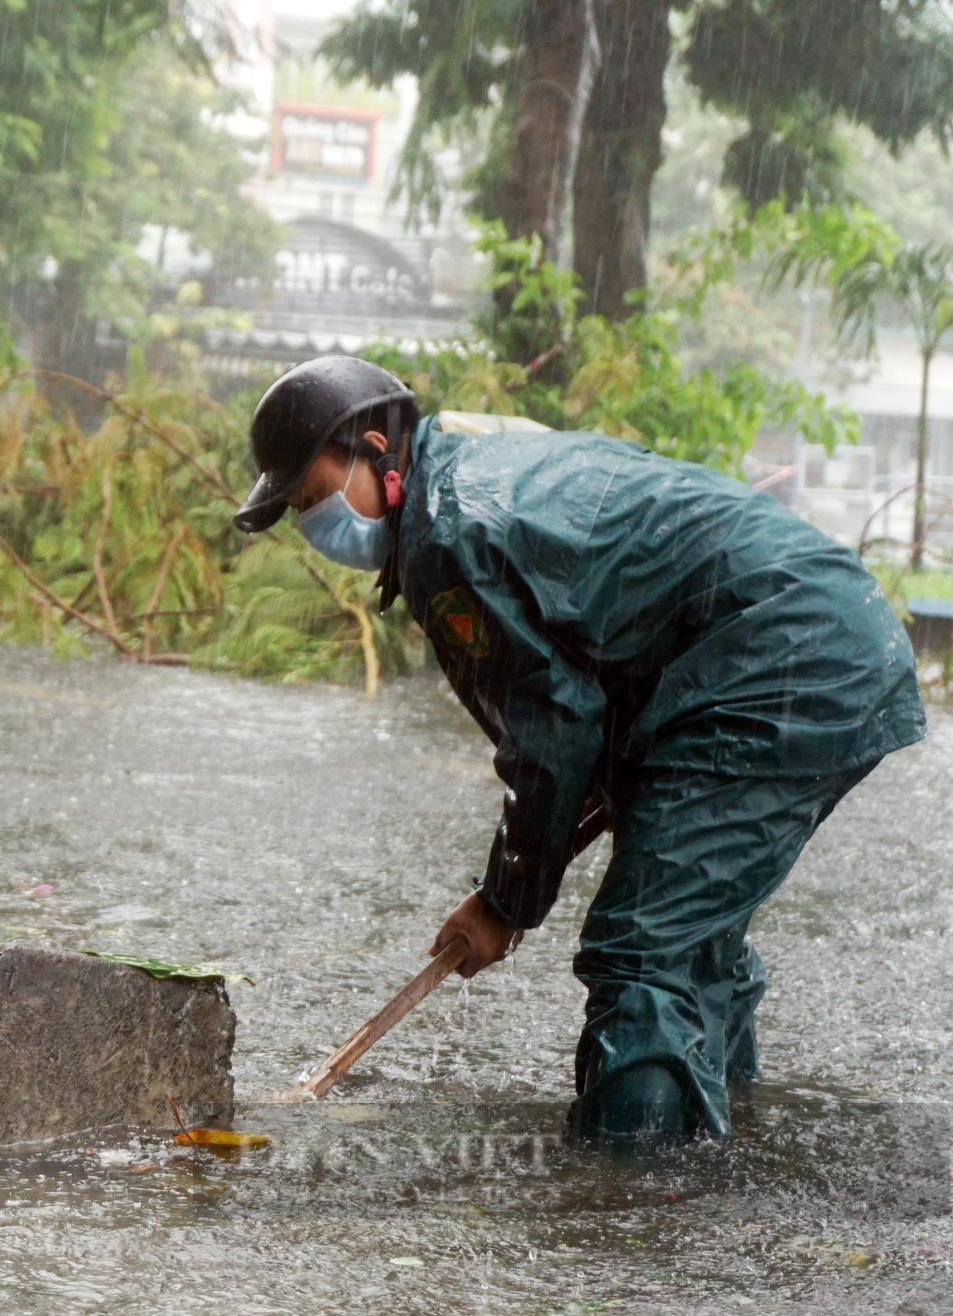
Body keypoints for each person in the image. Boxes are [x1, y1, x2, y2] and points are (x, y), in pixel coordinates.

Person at [234, 356, 926, 1151]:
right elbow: (592, 687)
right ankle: (727, 1151)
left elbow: (553, 729)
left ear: (370, 448)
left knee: (642, 948)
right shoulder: (471, 482)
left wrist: (505, 902)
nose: (313, 521)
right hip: (818, 634)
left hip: (779, 652)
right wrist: (537, 858)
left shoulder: (450, 533)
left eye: (313, 497)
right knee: (688, 926)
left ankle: (630, 1198)